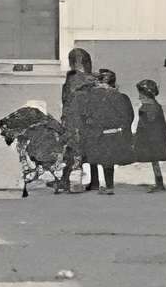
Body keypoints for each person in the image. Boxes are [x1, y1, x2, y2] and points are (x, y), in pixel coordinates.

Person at [80, 66, 135, 191]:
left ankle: (95, 183)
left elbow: (85, 115)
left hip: (95, 132)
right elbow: (128, 117)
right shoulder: (121, 97)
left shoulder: (90, 97)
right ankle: (109, 185)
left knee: (93, 157)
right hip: (113, 133)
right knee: (108, 160)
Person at [57, 48, 99, 192]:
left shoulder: (78, 79)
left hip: (78, 119)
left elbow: (73, 100)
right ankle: (89, 181)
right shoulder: (84, 78)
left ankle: (74, 181)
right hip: (79, 119)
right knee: (84, 150)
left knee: (76, 150)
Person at [132, 77, 166, 191]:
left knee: (154, 160)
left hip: (152, 139)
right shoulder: (154, 106)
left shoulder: (149, 108)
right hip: (155, 139)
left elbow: (147, 124)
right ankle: (159, 182)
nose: (139, 97)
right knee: (155, 161)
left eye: (142, 96)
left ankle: (159, 183)